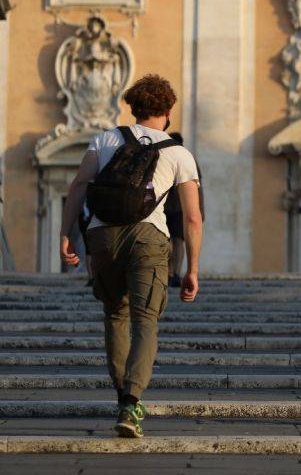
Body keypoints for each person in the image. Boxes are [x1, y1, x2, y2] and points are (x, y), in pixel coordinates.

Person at [59, 74, 202, 439]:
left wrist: (66, 236)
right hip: (148, 238)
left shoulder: (106, 138)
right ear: (168, 111)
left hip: (101, 238)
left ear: (133, 108)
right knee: (145, 319)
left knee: (114, 314)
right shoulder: (179, 153)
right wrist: (191, 269)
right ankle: (132, 402)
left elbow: (77, 186)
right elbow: (192, 217)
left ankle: (123, 395)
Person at [163, 132, 203, 287]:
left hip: (174, 208)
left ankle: (173, 272)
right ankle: (173, 273)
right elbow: (198, 190)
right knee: (175, 242)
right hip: (178, 208)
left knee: (173, 241)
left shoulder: (167, 157)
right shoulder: (188, 159)